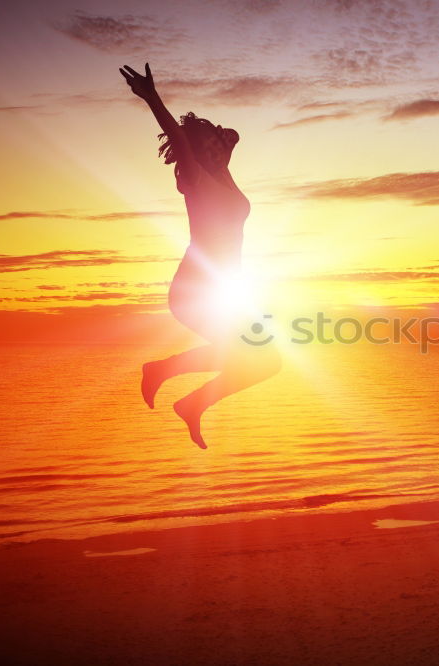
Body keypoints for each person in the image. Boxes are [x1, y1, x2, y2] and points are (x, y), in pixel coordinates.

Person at [121, 63, 281, 449]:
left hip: (225, 290)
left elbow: (234, 134)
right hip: (196, 290)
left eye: (216, 142)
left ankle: (189, 400)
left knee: (267, 361)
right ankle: (165, 375)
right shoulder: (195, 179)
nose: (217, 146)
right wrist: (153, 98)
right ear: (191, 151)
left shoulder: (224, 174)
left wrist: (215, 140)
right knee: (257, 358)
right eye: (205, 144)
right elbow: (179, 136)